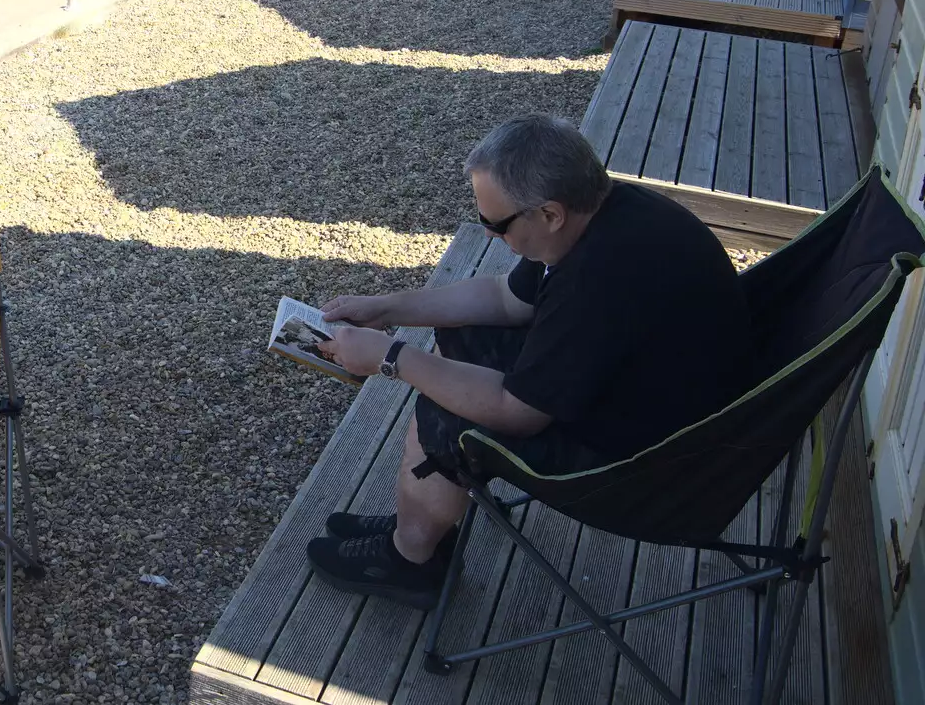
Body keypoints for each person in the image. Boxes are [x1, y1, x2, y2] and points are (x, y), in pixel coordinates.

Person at [304, 115, 753, 610]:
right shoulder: (606, 212)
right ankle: (423, 517)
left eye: (495, 225)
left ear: (550, 213)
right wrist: (387, 307)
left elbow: (517, 411)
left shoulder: (599, 280)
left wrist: (389, 358)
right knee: (463, 343)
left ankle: (410, 559)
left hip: (653, 459)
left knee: (452, 410)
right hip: (656, 388)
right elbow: (505, 299)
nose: (491, 235)